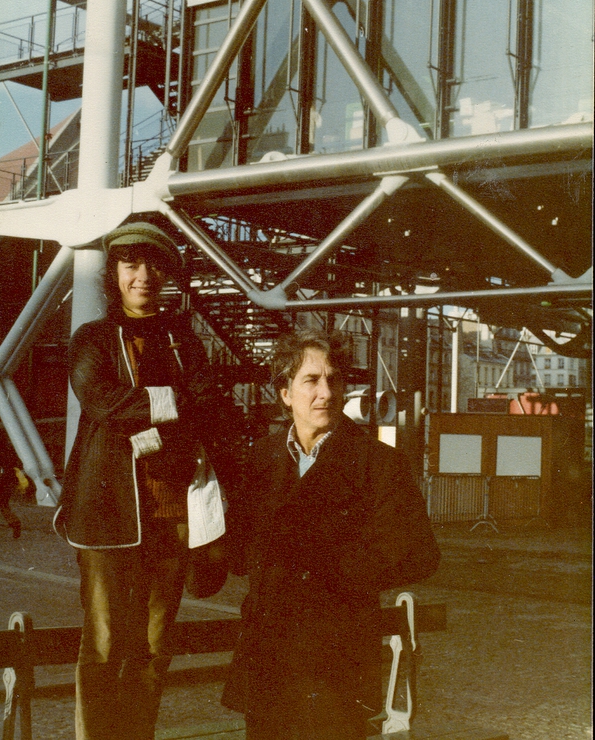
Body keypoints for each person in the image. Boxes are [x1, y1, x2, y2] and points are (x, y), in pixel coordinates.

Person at [54, 221, 240, 740]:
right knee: (106, 644)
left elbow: (210, 408)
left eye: (154, 265)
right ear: (113, 273)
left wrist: (156, 421)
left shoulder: (183, 338)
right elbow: (104, 402)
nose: (143, 276)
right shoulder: (91, 338)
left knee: (156, 648)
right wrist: (175, 403)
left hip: (173, 515)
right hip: (107, 513)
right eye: (131, 264)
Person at [221, 329, 440, 740]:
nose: (326, 392)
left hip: (338, 652)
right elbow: (238, 549)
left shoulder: (380, 463)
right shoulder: (261, 457)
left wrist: (330, 570)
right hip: (268, 653)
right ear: (284, 393)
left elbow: (419, 555)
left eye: (334, 379)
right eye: (311, 380)